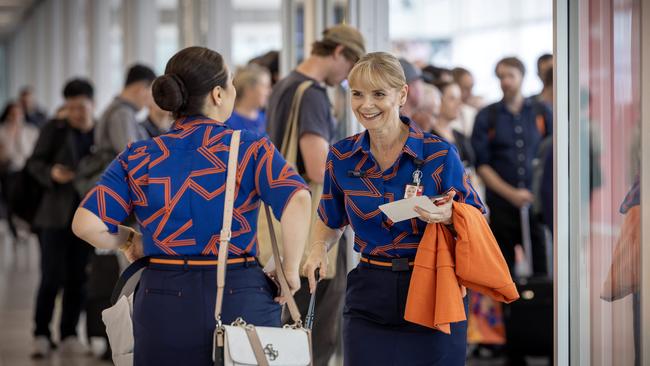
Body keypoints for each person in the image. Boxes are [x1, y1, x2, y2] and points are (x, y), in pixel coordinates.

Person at [71, 46, 312, 366]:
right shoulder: (250, 148)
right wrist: (290, 268)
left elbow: (85, 224)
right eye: (230, 83)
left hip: (162, 298)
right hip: (239, 294)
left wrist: (130, 239)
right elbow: (297, 198)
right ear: (217, 94)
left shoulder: (139, 155)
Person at [303, 52, 485, 365]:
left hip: (434, 288)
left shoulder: (438, 154)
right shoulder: (342, 156)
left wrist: (449, 214)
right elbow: (330, 219)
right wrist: (318, 249)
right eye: (357, 94)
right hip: (370, 293)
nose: (366, 104)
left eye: (378, 94)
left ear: (401, 95)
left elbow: (476, 215)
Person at [265, 24, 365, 366]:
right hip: (309, 220)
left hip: (278, 215)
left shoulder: (284, 86)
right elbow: (319, 165)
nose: (347, 79)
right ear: (338, 52)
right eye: (350, 68)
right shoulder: (312, 93)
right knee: (316, 324)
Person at [27, 79, 96, 358]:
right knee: (51, 276)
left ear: (92, 102)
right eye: (71, 107)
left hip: (87, 217)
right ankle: (41, 332)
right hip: (54, 217)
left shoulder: (100, 131)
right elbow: (34, 163)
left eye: (81, 106)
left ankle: (68, 332)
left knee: (78, 277)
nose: (76, 113)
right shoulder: (54, 130)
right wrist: (51, 174)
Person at [471, 56, 552, 275]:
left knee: (542, 270)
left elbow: (551, 156)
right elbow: (483, 165)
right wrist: (512, 194)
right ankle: (506, 311)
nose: (505, 81)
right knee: (503, 273)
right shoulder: (487, 116)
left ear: (522, 77)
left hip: (536, 207)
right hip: (501, 207)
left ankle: (538, 310)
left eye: (510, 76)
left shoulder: (541, 113)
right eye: (501, 77)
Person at [94, 64, 156, 155]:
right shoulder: (122, 113)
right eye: (150, 91)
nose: (150, 98)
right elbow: (131, 155)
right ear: (141, 88)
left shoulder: (120, 110)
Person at [431, 81, 475, 168]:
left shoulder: (460, 136)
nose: (459, 103)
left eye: (459, 99)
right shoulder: (429, 137)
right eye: (452, 99)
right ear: (438, 101)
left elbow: (471, 167)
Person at [225, 64, 272, 135]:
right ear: (249, 89)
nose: (269, 91)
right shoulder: (228, 123)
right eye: (264, 86)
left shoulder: (266, 119)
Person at [450, 67, 481, 136]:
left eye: (471, 87)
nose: (470, 93)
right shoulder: (444, 114)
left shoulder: (472, 112)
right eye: (465, 88)